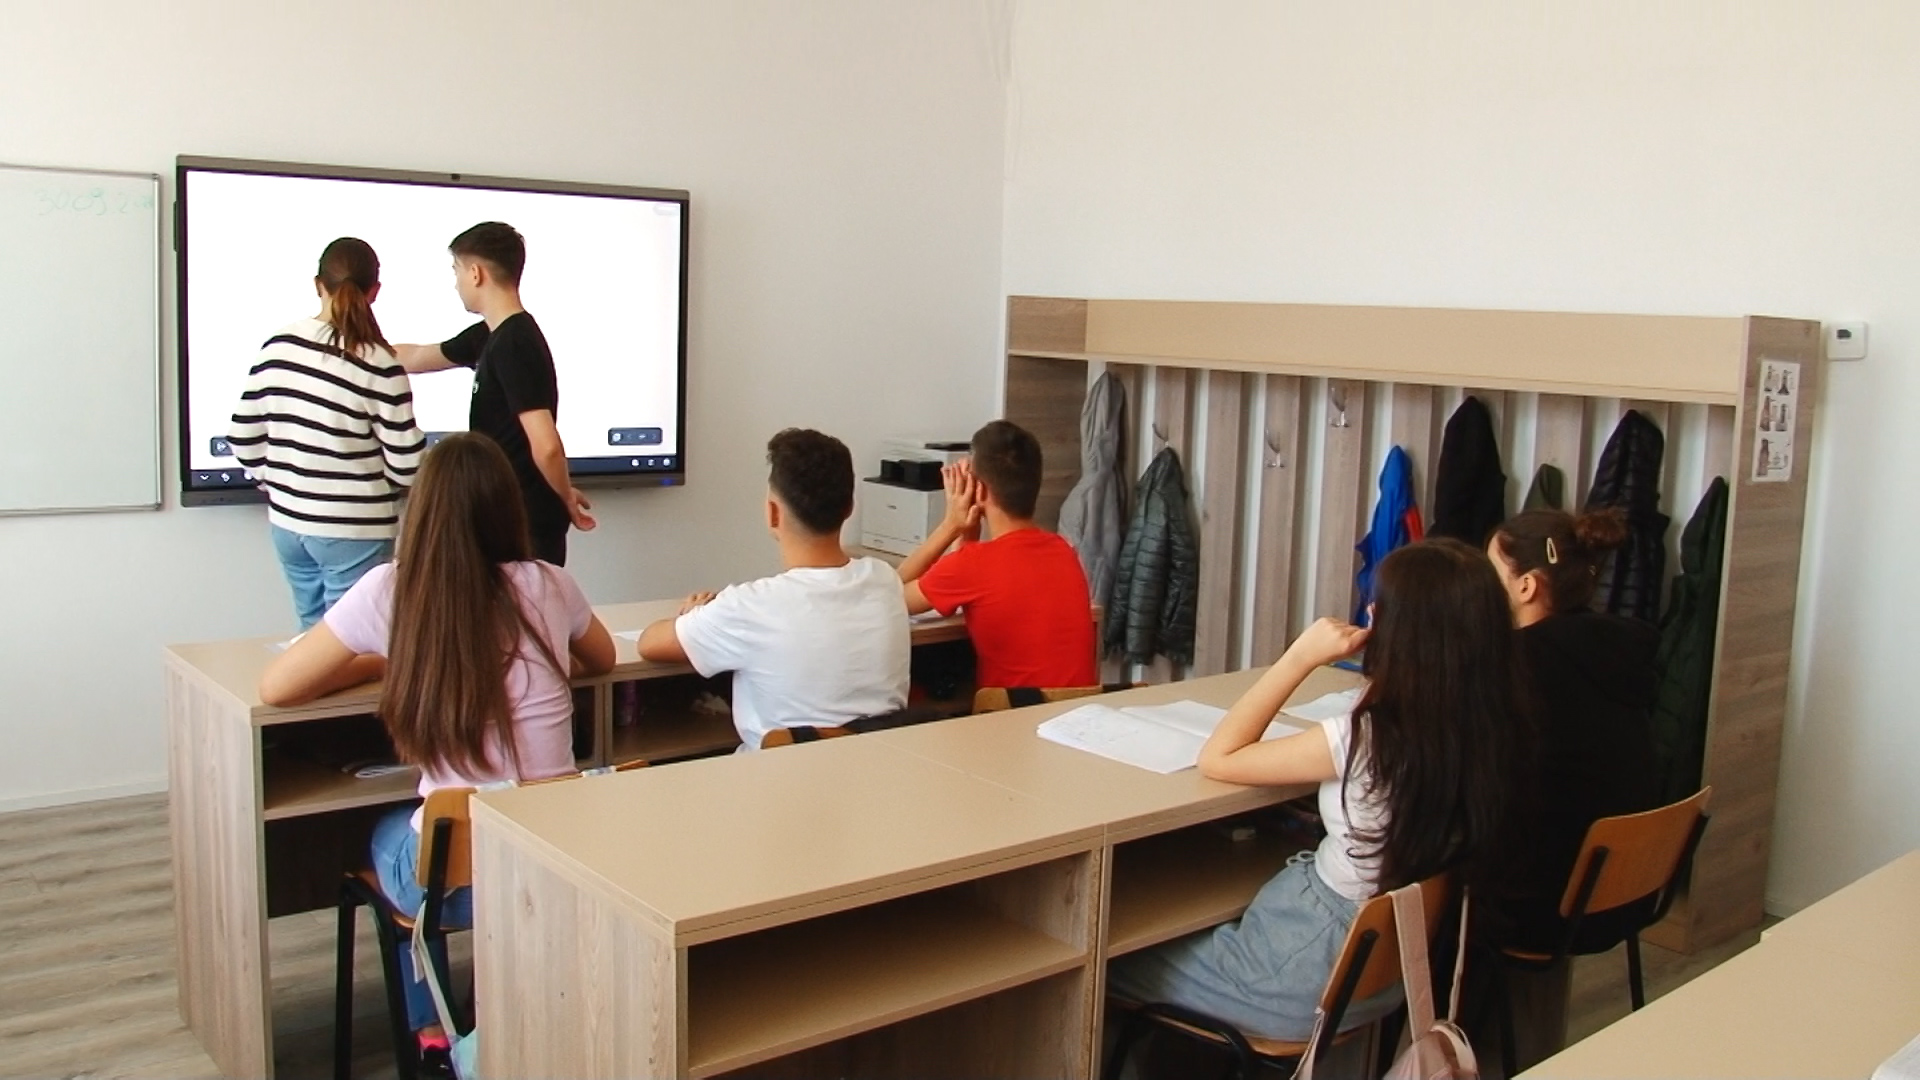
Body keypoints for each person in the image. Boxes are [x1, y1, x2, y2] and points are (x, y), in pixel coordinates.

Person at [257, 433, 615, 1075]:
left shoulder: (391, 590)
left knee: (389, 831)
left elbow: (278, 686)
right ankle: (487, 1013)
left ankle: (431, 1032)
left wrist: (386, 658)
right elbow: (605, 659)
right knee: (458, 834)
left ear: (420, 511)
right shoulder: (550, 582)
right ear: (507, 509)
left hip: (457, 885)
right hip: (557, 867)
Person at [1106, 539, 1529, 1041]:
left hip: (1309, 970)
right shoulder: (1494, 720)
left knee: (1113, 960)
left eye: (1380, 606)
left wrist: (1299, 657)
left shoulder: (1370, 735)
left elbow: (1219, 757)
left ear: (1406, 634)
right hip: (1387, 972)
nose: (1370, 613)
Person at [637, 428, 908, 749]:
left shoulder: (748, 607)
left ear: (773, 512)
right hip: (878, 769)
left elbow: (649, 644)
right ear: (849, 507)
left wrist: (695, 617)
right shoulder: (884, 580)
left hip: (776, 778)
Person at [1487, 508, 1661, 952]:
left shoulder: (1516, 666)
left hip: (1543, 908)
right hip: (1626, 893)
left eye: (1490, 574)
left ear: (1526, 586)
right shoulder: (1619, 647)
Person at [228, 237, 424, 628]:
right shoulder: (379, 363)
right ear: (375, 291)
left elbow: (243, 438)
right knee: (353, 643)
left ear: (318, 285)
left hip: (288, 525)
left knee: (312, 635)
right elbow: (407, 468)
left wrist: (279, 481)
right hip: (354, 528)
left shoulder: (279, 345)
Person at [393, 222, 594, 566]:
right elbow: (416, 357)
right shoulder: (488, 335)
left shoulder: (516, 342)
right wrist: (352, 347)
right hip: (502, 512)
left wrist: (563, 498)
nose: (455, 282)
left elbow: (547, 446)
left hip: (525, 524)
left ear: (475, 273)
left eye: (456, 270)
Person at [898, 420, 1097, 689]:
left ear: (978, 490)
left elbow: (889, 598)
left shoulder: (972, 565)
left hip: (1012, 711)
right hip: (1074, 711)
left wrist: (951, 525)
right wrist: (968, 533)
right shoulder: (1065, 551)